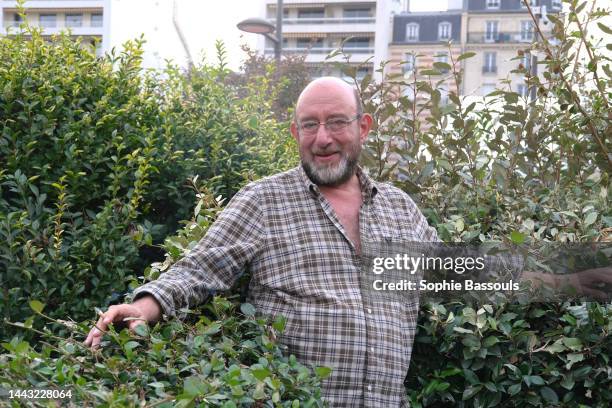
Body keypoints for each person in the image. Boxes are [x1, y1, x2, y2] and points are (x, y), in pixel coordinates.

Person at [84, 77, 609, 406]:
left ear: (363, 126)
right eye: (309, 125)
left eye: (336, 122)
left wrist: (570, 280)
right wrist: (146, 304)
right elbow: (199, 268)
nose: (323, 137)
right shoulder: (263, 201)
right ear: (295, 134)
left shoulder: (400, 208)